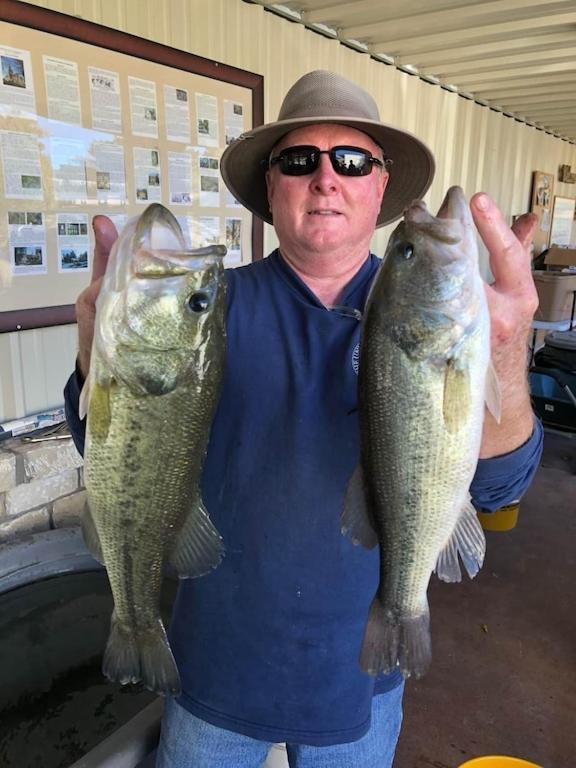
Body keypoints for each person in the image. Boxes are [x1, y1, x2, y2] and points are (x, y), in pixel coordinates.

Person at [65, 70, 543, 768]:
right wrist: (96, 359)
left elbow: (499, 488)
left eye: (351, 161)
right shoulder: (206, 307)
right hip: (214, 673)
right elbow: (109, 455)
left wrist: (501, 355)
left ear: (380, 188)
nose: (326, 178)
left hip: (358, 676)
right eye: (299, 160)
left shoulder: (439, 307)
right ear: (270, 188)